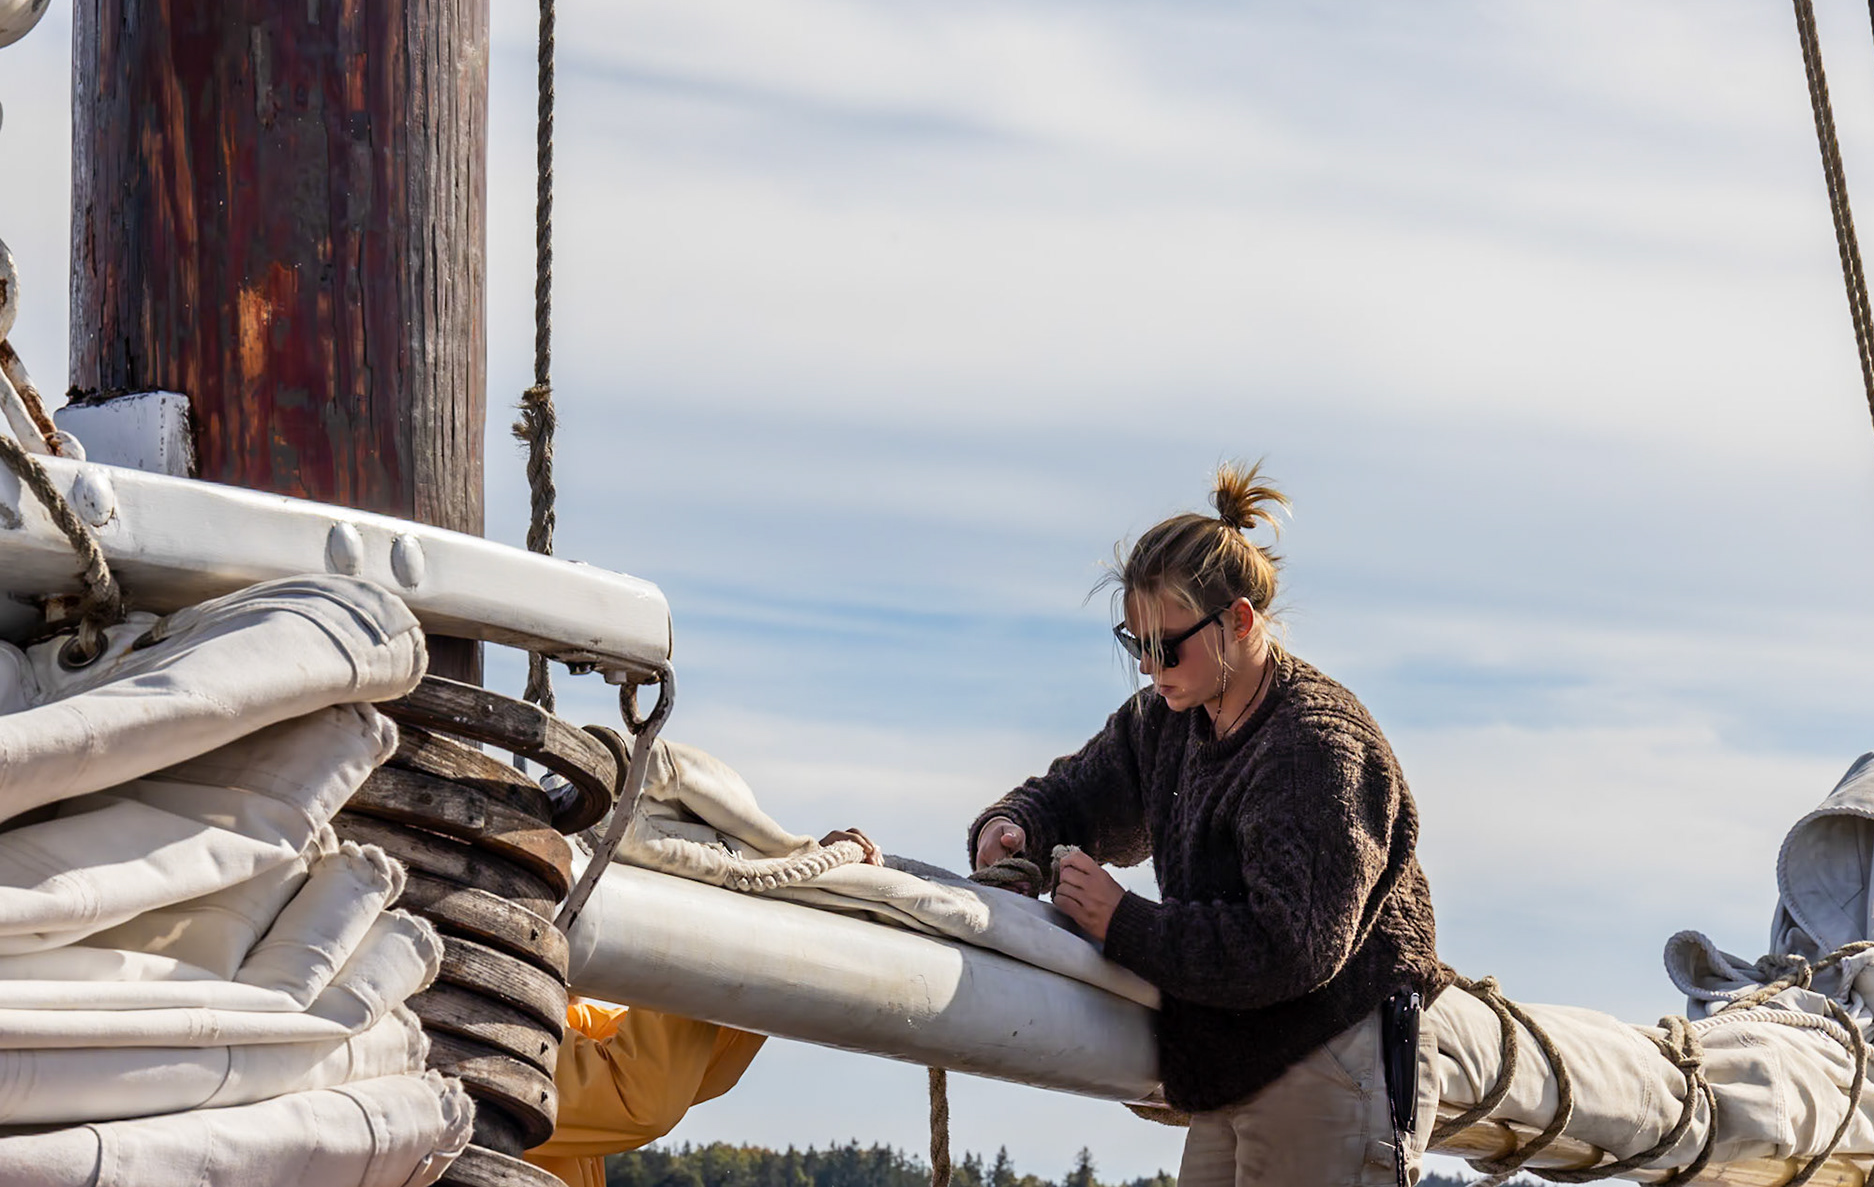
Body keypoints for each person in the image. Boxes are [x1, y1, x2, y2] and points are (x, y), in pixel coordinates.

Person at [968, 462, 1448, 1187]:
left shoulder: (1315, 747)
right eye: (1136, 647)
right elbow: (1077, 796)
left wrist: (1121, 921)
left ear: (1240, 620)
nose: (1150, 669)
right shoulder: (1168, 718)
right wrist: (1014, 827)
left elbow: (1291, 947)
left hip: (1337, 1060)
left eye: (1165, 646)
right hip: (1238, 1061)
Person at [526, 828, 883, 1187]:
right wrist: (710, 918)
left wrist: (796, 905)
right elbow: (638, 1097)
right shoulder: (479, 1040)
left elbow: (701, 1064)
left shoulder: (560, 1022)